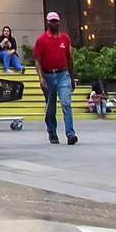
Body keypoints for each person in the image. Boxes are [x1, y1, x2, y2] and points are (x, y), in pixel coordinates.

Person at [32, 10, 78, 145]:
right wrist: (41, 77)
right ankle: (52, 132)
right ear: (47, 22)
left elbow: (69, 58)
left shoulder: (65, 39)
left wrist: (71, 76)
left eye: (56, 21)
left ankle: (70, 133)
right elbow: (37, 60)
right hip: (48, 75)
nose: (54, 23)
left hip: (63, 73)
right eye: (51, 21)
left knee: (66, 103)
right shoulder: (41, 40)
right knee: (51, 106)